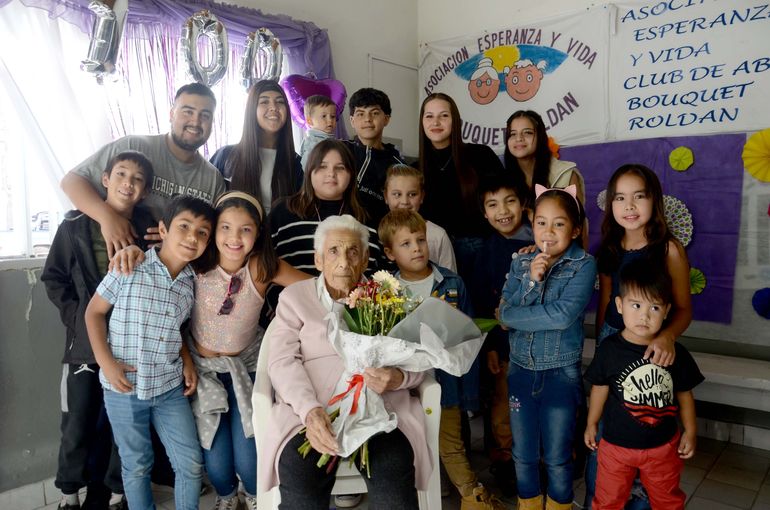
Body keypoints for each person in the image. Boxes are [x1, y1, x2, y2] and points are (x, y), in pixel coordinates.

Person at [258, 215, 429, 509]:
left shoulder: (387, 298)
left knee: (394, 482)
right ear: (318, 259)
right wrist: (310, 411)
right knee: (300, 480)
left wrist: (398, 378)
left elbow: (421, 359)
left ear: (364, 260)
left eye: (353, 252)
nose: (343, 262)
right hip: (312, 415)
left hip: (377, 413)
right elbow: (282, 362)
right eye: (333, 251)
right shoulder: (295, 297)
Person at [84, 196, 216, 510]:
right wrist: (106, 363)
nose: (192, 237)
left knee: (190, 462)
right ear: (163, 229)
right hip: (124, 387)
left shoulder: (190, 284)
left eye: (202, 233)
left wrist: (187, 360)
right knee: (137, 464)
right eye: (184, 227)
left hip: (169, 386)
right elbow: (93, 313)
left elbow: (176, 328)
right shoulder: (130, 265)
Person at [180, 191, 310, 510]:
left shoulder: (262, 267)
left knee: (248, 457)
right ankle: (226, 496)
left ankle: (254, 495)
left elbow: (314, 288)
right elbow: (175, 316)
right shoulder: (196, 264)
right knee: (217, 461)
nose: (234, 238)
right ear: (214, 230)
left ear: (258, 233)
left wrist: (355, 290)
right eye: (225, 227)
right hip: (204, 372)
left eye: (245, 229)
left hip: (246, 369)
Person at [42, 151, 156, 510]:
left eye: (137, 179)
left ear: (145, 190)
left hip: (130, 345)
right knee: (77, 420)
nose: (128, 183)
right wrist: (76, 317)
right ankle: (69, 494)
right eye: (121, 174)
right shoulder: (73, 225)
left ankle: (118, 493)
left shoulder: (149, 229)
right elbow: (54, 278)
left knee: (124, 423)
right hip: (83, 349)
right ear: (105, 179)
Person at [584, 164, 693, 509]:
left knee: (647, 432)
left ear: (654, 200)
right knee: (607, 436)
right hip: (613, 344)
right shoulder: (609, 248)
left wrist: (667, 337)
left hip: (653, 348)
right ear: (611, 205)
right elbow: (606, 304)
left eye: (639, 197)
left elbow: (683, 309)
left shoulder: (669, 249)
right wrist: (603, 350)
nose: (629, 206)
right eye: (620, 198)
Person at [378, 209, 503, 510]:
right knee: (408, 443)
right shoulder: (385, 290)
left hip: (445, 383)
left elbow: (468, 335)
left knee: (450, 442)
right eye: (405, 244)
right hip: (403, 386)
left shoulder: (451, 282)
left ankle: (473, 497)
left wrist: (468, 390)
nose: (417, 248)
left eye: (420, 240)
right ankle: (422, 492)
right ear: (390, 253)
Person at [498, 185, 596, 510]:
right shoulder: (521, 263)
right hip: (520, 370)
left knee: (557, 456)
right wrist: (531, 280)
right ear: (533, 224)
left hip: (560, 373)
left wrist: (512, 315)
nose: (548, 232)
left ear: (575, 230)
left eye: (559, 224)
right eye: (541, 223)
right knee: (523, 455)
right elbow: (504, 315)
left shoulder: (583, 265)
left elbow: (562, 316)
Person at [584, 260, 703, 510]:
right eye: (636, 305)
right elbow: (600, 388)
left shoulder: (675, 352)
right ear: (620, 305)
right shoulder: (609, 350)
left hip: (662, 447)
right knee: (608, 501)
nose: (644, 316)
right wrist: (592, 422)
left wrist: (690, 430)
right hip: (616, 446)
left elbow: (684, 394)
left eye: (655, 307)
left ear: (666, 311)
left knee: (667, 501)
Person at [61, 83, 226, 258]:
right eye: (188, 112)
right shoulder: (134, 146)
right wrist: (107, 218)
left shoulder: (213, 179)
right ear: (171, 114)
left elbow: (218, 234)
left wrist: (175, 242)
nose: (196, 121)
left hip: (173, 268)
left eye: (205, 115)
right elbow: (72, 182)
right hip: (111, 257)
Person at [468, 172, 532, 498]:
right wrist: (491, 347)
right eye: (492, 205)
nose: (503, 211)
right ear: (484, 213)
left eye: (510, 201)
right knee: (504, 407)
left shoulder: (543, 242)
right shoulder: (487, 251)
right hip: (505, 349)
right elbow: (482, 304)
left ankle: (538, 462)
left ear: (523, 204)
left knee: (536, 406)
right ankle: (506, 463)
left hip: (541, 347)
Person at [418, 92, 504, 281]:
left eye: (444, 115)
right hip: (434, 254)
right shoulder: (415, 169)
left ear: (455, 120)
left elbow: (504, 200)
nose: (436, 122)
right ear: (422, 122)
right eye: (429, 116)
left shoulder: (480, 155)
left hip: (478, 252)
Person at [269, 139, 386, 275]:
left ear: (351, 174)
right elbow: (262, 262)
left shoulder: (370, 214)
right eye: (322, 166)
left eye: (340, 168)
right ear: (309, 171)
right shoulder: (282, 212)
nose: (331, 174)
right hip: (291, 289)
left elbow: (385, 272)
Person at [210, 80, 303, 214]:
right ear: (252, 110)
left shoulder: (296, 164)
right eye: (264, 102)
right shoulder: (225, 156)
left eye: (280, 102)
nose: (273, 107)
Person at [343, 87, 405, 227]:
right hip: (337, 230)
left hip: (378, 233)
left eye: (375, 113)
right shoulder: (339, 151)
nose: (367, 119)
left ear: (386, 119)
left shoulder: (397, 166)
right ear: (352, 121)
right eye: (360, 114)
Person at [383, 164, 456, 272]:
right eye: (397, 194)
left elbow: (451, 278)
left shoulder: (438, 235)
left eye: (412, 194)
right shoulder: (379, 234)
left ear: (422, 196)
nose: (404, 202)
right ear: (386, 196)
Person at [503, 109, 585, 206]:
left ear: (540, 137)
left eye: (527, 132)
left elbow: (576, 215)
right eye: (513, 134)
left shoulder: (565, 174)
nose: (519, 138)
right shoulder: (503, 179)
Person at [300, 94, 337, 169]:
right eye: (324, 116)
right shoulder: (313, 143)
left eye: (332, 116)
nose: (330, 120)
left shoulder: (329, 139)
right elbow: (306, 168)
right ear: (310, 121)